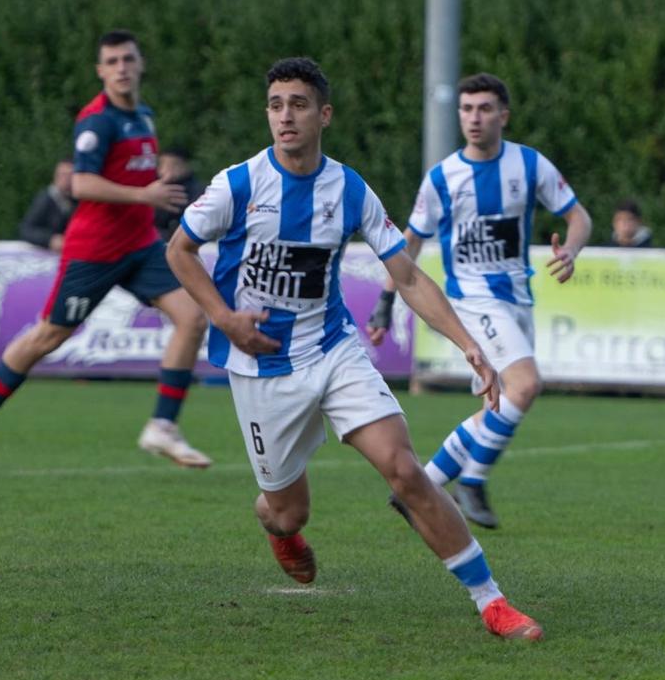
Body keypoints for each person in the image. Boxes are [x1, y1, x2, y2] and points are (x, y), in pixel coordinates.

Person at [167, 57, 543, 641]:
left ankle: (491, 602)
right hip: (261, 366)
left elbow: (410, 276)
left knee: (406, 471)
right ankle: (280, 529)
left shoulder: (348, 188)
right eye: (275, 105)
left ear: (324, 114)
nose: (284, 116)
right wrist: (224, 319)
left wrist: (469, 344)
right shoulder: (238, 184)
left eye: (297, 104)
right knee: (287, 510)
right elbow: (180, 251)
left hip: (333, 350)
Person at [0, 30, 211, 475]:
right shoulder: (97, 121)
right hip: (95, 250)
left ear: (140, 63)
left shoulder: (143, 116)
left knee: (192, 317)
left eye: (128, 59)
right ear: (100, 71)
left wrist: (145, 202)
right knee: (49, 336)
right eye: (111, 62)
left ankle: (162, 426)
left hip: (141, 245)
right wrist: (143, 197)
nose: (121, 68)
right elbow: (80, 184)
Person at [369, 72, 592, 529]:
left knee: (498, 407)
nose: (474, 117)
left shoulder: (529, 166)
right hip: (470, 300)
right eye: (467, 109)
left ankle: (421, 487)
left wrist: (571, 249)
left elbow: (579, 217)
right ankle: (472, 481)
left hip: (516, 300)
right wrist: (385, 301)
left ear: (503, 116)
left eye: (484, 108)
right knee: (526, 385)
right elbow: (407, 245)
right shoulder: (443, 178)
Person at [18, 158, 76, 252]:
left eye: (70, 175)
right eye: (62, 175)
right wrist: (49, 239)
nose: (66, 179)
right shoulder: (46, 199)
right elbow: (26, 229)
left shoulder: (78, 199)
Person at [153, 146, 204, 241]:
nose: (167, 170)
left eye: (173, 165)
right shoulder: (153, 188)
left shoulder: (197, 190)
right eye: (163, 165)